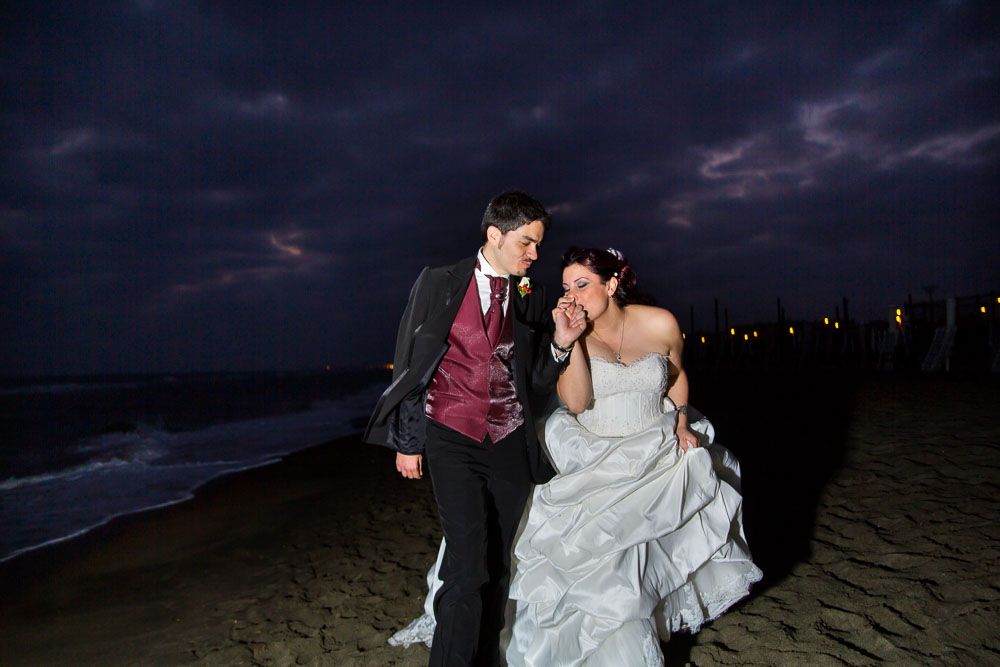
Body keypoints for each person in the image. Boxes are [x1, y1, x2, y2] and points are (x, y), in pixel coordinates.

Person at [505, 247, 762, 666]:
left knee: (644, 560)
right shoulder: (577, 334)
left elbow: (675, 377)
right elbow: (576, 402)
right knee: (612, 570)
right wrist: (566, 341)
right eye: (567, 288)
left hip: (653, 444)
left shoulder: (661, 323)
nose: (572, 296)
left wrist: (680, 421)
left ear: (611, 285)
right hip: (598, 455)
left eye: (582, 285)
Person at [364, 191, 586, 666]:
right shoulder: (439, 282)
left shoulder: (532, 295)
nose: (534, 254)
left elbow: (536, 382)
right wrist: (407, 442)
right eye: (527, 243)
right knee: (466, 569)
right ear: (494, 234)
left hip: (510, 443)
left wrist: (562, 346)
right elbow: (409, 362)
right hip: (450, 436)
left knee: (498, 567)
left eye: (538, 246)